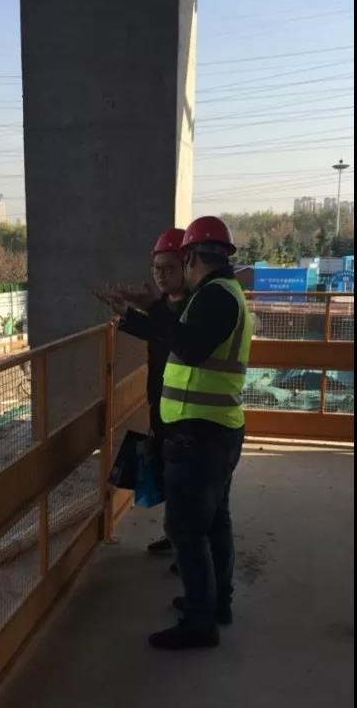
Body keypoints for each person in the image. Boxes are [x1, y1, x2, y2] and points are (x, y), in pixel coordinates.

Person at [139, 216, 253, 651]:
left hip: (201, 435)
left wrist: (154, 307)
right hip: (212, 430)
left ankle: (201, 622)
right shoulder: (219, 293)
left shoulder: (216, 297)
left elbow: (188, 347)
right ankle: (213, 603)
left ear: (189, 257)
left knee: (187, 531)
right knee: (214, 521)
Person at [97, 229, 189, 556]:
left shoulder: (193, 307)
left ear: (187, 266)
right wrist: (125, 313)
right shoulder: (168, 304)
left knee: (187, 483)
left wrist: (147, 309)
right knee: (170, 476)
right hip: (163, 401)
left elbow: (173, 336)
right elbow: (154, 331)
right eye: (156, 269)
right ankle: (176, 536)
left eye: (169, 268)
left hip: (187, 410)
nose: (161, 275)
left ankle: (188, 549)